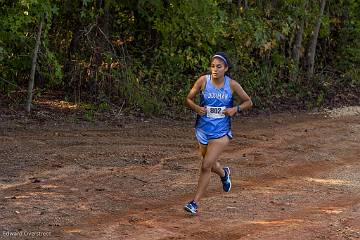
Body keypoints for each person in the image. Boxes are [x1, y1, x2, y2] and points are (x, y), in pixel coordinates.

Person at [184, 52, 253, 214]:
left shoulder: (232, 85)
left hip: (221, 132)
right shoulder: (203, 81)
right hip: (202, 129)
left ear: (226, 69)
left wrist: (235, 109)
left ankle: (194, 203)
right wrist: (196, 108)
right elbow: (188, 99)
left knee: (206, 165)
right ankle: (224, 173)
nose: (215, 69)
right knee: (211, 163)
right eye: (213, 66)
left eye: (219, 67)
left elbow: (249, 102)